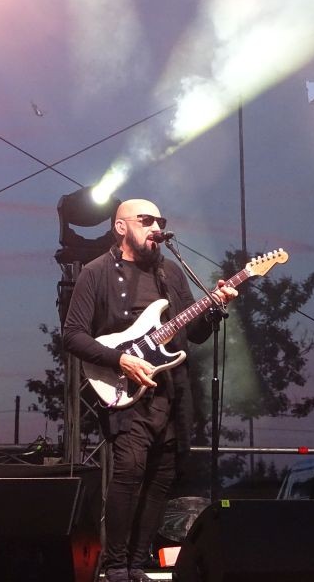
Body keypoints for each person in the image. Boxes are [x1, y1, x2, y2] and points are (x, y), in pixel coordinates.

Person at [63, 199, 238, 582]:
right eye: (146, 220)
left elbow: (194, 333)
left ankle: (136, 564)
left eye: (160, 221)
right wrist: (121, 360)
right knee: (129, 471)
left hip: (170, 392)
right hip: (125, 390)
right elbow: (72, 335)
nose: (156, 227)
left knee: (161, 477)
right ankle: (115, 567)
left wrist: (214, 307)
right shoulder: (96, 272)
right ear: (120, 227)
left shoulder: (170, 273)